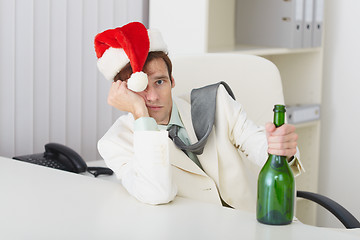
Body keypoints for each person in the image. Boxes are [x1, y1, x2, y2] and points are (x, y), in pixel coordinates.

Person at [94, 22, 303, 211]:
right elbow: (156, 193)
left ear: (172, 81)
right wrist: (141, 116)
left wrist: (278, 148)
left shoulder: (216, 101)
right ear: (122, 91)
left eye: (159, 82)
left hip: (251, 223)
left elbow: (255, 142)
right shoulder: (115, 143)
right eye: (140, 88)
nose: (153, 97)